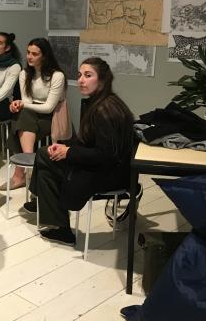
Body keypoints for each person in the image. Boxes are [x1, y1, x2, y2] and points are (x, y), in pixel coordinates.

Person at [23, 57, 135, 246]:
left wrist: (69, 152)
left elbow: (105, 155)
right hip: (106, 168)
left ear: (102, 80)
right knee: (45, 154)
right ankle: (41, 202)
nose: (81, 80)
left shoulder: (104, 110)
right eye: (80, 75)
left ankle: (59, 225)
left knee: (46, 165)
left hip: (108, 175)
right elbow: (90, 142)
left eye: (88, 75)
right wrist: (66, 148)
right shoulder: (101, 102)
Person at [7, 37, 66, 189]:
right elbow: (27, 101)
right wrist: (17, 105)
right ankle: (31, 168)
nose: (29, 57)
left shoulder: (57, 75)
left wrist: (23, 104)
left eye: (35, 54)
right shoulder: (25, 74)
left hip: (51, 118)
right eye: (28, 52)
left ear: (44, 56)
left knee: (17, 123)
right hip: (31, 116)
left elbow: (49, 107)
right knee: (20, 117)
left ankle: (20, 174)